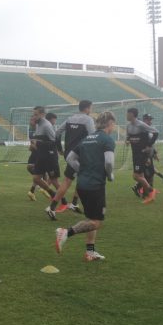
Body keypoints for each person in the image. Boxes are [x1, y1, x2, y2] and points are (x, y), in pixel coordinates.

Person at [54, 111, 117, 262]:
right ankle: (66, 233)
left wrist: (81, 170)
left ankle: (90, 252)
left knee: (91, 218)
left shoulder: (86, 139)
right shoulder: (107, 140)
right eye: (114, 124)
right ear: (110, 123)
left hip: (82, 184)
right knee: (96, 222)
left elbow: (70, 158)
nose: (114, 127)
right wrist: (110, 175)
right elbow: (109, 162)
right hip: (95, 185)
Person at [45, 100, 95, 220]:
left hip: (69, 154)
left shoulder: (70, 119)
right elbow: (93, 136)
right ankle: (52, 207)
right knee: (70, 180)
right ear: (87, 108)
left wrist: (60, 149)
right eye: (90, 108)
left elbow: (57, 133)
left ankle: (74, 203)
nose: (91, 110)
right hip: (80, 154)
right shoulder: (88, 120)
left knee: (78, 178)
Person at [125, 109, 157, 203]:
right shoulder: (128, 126)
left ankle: (151, 190)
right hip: (135, 154)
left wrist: (149, 146)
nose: (126, 116)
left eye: (128, 114)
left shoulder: (141, 125)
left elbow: (156, 132)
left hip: (141, 154)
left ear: (132, 114)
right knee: (141, 175)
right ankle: (148, 196)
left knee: (136, 176)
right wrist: (127, 140)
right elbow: (128, 136)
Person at [30, 110, 61, 201]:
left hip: (49, 157)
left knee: (54, 180)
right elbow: (37, 142)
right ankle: (52, 193)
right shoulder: (38, 126)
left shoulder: (47, 126)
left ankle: (64, 201)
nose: (34, 117)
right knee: (36, 178)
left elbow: (54, 142)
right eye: (33, 115)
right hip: (41, 156)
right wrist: (34, 145)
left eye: (36, 115)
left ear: (42, 114)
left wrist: (37, 143)